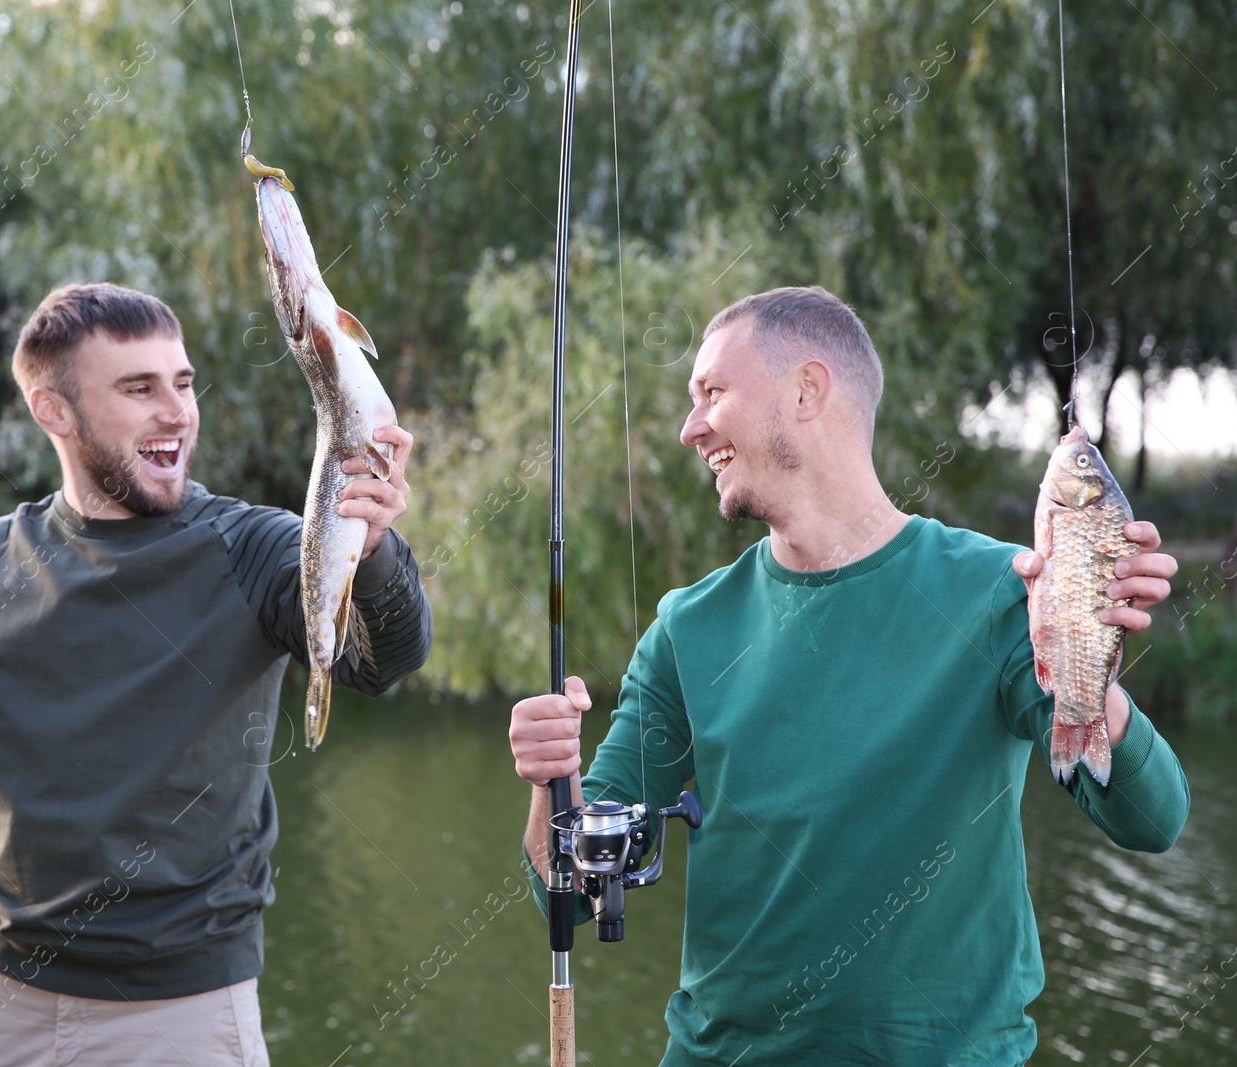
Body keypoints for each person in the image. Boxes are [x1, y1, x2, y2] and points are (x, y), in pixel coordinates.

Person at [508, 286, 1188, 1066]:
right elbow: (571, 894)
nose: (690, 427)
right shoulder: (686, 628)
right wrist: (547, 781)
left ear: (806, 390)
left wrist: (1082, 655)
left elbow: (1154, 818)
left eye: (712, 393)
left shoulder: (1003, 592)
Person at [0, 283, 432, 1066]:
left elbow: (378, 662)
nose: (177, 411)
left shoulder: (257, 548)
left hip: (182, 1014)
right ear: (54, 411)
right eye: (139, 388)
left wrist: (373, 547)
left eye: (183, 383)